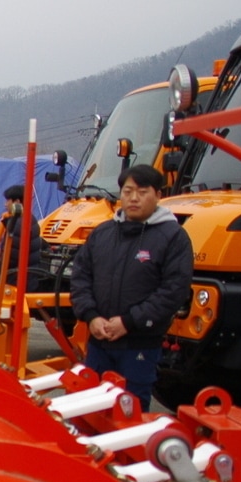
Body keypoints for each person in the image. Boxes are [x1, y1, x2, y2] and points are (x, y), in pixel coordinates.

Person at [70, 164, 194, 411]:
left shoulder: (173, 237)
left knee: (130, 411)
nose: (133, 198)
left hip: (139, 345)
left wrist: (128, 321)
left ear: (158, 195)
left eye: (142, 191)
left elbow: (174, 290)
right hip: (99, 342)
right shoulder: (103, 234)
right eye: (128, 191)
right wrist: (91, 316)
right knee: (90, 410)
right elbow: (80, 277)